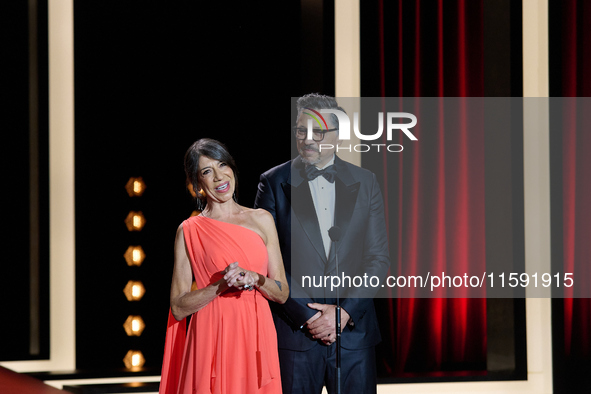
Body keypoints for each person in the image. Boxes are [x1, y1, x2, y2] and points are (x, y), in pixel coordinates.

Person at [254, 94, 391, 394]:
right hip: (296, 335)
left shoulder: (365, 181)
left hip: (353, 335)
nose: (307, 139)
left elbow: (378, 259)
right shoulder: (274, 182)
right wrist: (310, 318)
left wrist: (343, 313)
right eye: (301, 130)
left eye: (318, 131)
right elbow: (264, 259)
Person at [159, 138, 289, 394]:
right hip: (211, 338)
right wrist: (220, 285)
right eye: (207, 171)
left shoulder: (262, 219)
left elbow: (282, 292)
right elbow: (178, 307)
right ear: (197, 185)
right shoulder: (189, 230)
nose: (219, 177)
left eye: (222, 165)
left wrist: (256, 278)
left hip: (256, 336)